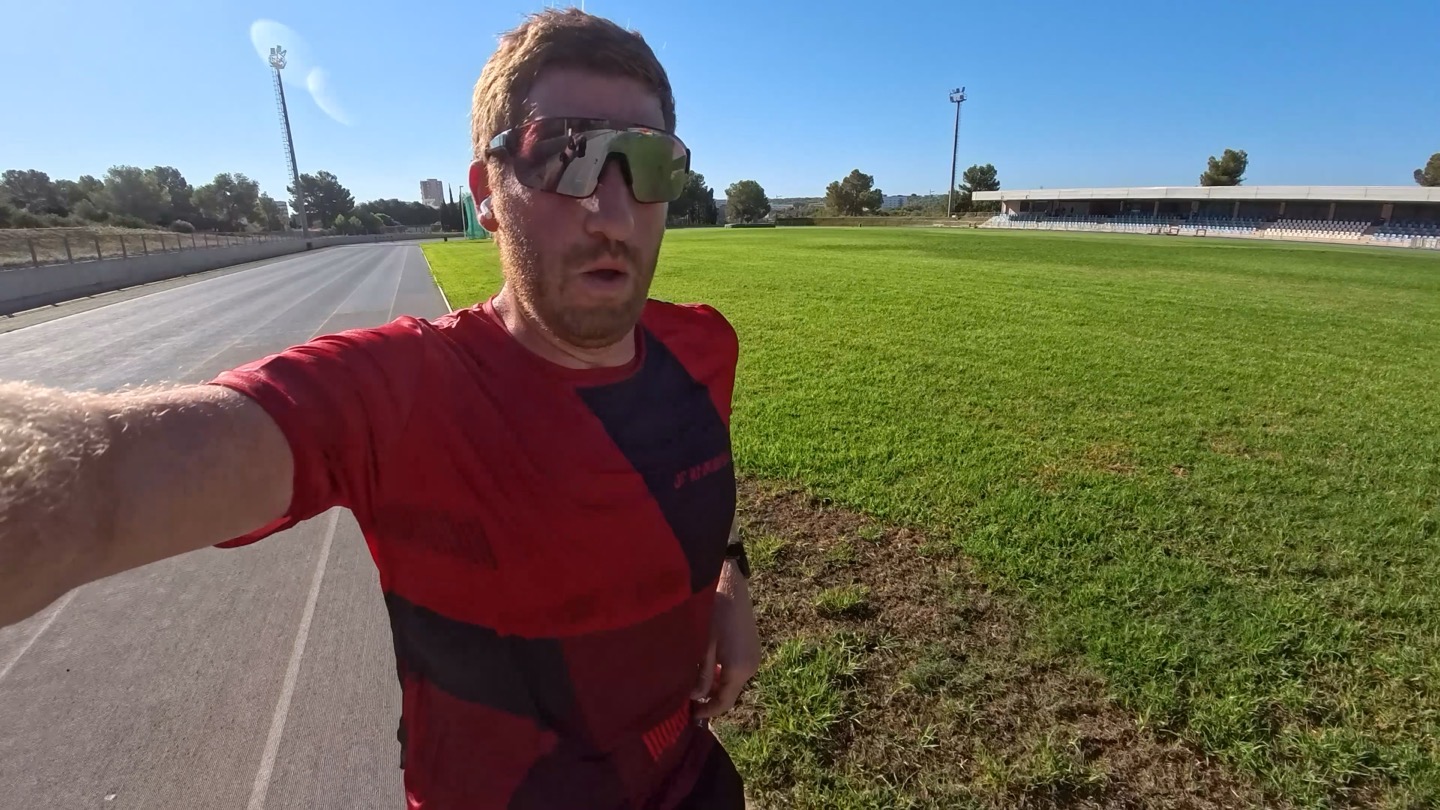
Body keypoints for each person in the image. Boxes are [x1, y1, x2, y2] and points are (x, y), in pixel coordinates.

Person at [0, 9, 759, 809]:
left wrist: (726, 577)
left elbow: (693, 472)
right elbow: (101, 487)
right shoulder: (397, 391)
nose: (611, 211)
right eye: (565, 156)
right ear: (488, 194)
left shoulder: (704, 346)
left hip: (695, 787)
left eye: (644, 163)